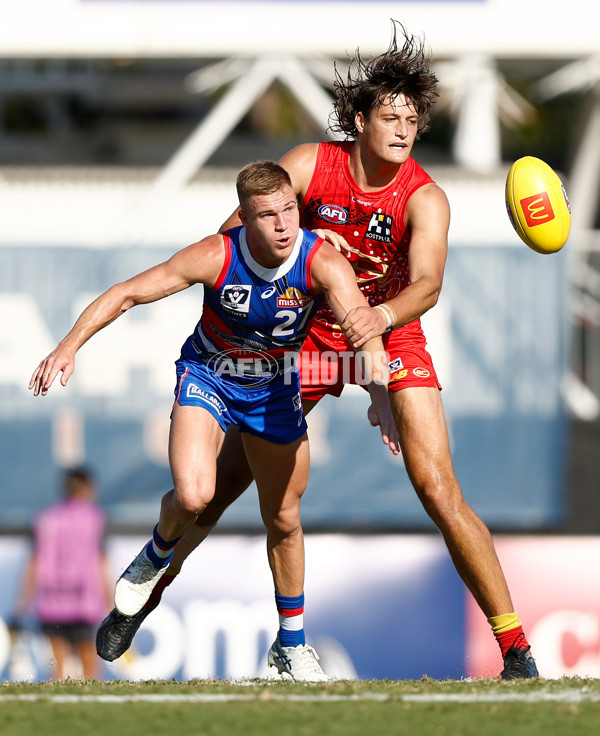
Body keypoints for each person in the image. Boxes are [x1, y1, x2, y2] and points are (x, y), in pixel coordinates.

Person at [94, 22, 538, 680]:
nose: (403, 130)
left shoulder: (426, 198)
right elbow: (232, 245)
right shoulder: (308, 166)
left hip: (387, 330)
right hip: (298, 339)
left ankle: (516, 650)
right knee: (212, 496)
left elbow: (429, 286)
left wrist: (375, 337)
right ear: (358, 120)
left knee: (439, 487)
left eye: (413, 120)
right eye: (390, 116)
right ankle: (143, 596)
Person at [29, 161, 395, 682]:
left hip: (274, 384)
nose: (284, 225)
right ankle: (154, 555)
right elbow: (128, 292)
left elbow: (365, 329)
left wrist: (379, 393)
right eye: (268, 215)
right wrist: (67, 347)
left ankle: (291, 646)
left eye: (290, 209)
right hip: (210, 375)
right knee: (196, 496)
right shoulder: (215, 254)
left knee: (285, 518)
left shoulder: (323, 263)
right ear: (243, 218)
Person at [13, 467, 112, 680]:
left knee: (57, 661)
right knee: (89, 661)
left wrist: (24, 601)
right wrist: (109, 602)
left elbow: (35, 563)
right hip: (84, 600)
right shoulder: (95, 519)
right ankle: (91, 704)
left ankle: (56, 702)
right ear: (87, 487)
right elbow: (99, 562)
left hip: (52, 601)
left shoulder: (45, 519)